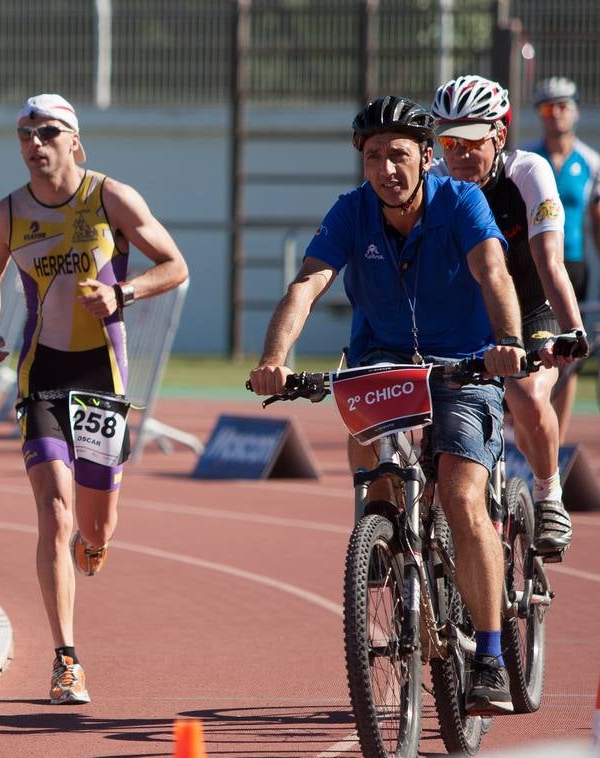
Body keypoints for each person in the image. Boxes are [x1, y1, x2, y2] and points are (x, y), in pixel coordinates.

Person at [248, 96, 526, 715]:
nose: (385, 169)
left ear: (426, 157)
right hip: (384, 365)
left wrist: (508, 342)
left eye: (398, 154)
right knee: (377, 479)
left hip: (466, 364)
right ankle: (391, 557)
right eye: (373, 156)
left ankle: (488, 655)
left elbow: (494, 272)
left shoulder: (460, 201)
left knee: (459, 495)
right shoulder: (351, 213)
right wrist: (275, 360)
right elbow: (308, 284)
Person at [0, 94, 188, 704]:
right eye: (24, 134)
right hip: (42, 376)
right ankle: (66, 658)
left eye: (47, 132)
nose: (35, 144)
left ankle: (97, 541)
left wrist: (126, 294)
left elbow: (174, 265)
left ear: (74, 141)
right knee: (54, 513)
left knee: (94, 525)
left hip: (102, 380)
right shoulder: (5, 215)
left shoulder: (110, 197)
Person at [431, 75, 587, 556]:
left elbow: (550, 263)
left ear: (499, 135)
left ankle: (548, 494)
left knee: (523, 390)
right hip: (467, 319)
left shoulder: (529, 173)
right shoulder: (435, 180)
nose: (458, 155)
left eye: (471, 142)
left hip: (530, 309)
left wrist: (572, 328)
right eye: (449, 142)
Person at [523, 76, 600, 440]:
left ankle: (560, 436)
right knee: (531, 350)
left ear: (575, 110)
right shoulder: (526, 160)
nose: (555, 115)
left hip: (573, 265)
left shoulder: (590, 163)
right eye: (547, 108)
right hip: (533, 264)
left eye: (562, 106)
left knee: (569, 356)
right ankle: (525, 429)